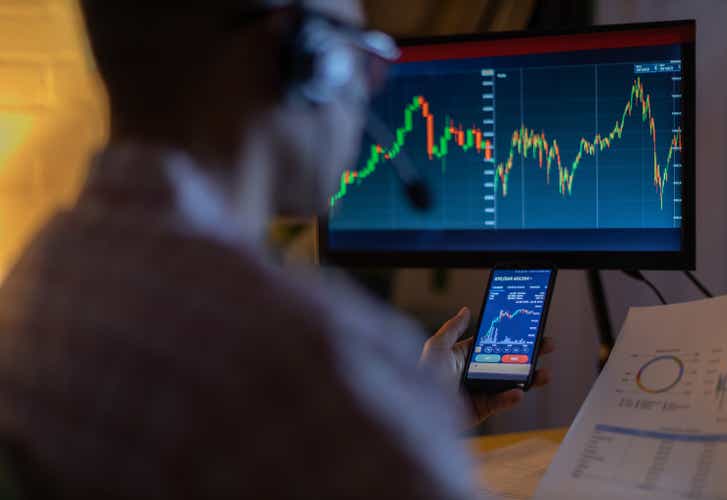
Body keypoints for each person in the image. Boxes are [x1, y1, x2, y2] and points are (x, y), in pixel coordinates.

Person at [0, 1, 552, 498]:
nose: (367, 88)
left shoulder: (38, 280)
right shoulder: (309, 355)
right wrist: (385, 408)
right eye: (359, 53)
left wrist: (414, 410)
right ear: (302, 58)